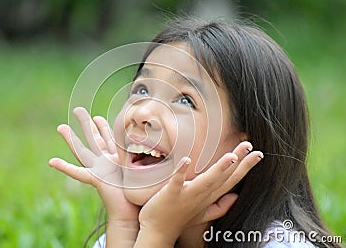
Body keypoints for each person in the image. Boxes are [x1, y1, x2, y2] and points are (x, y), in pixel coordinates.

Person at [49, 18, 341, 248]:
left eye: (184, 100)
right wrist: (126, 225)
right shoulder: (121, 234)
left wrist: (157, 234)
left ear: (243, 149)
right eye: (141, 90)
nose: (140, 114)